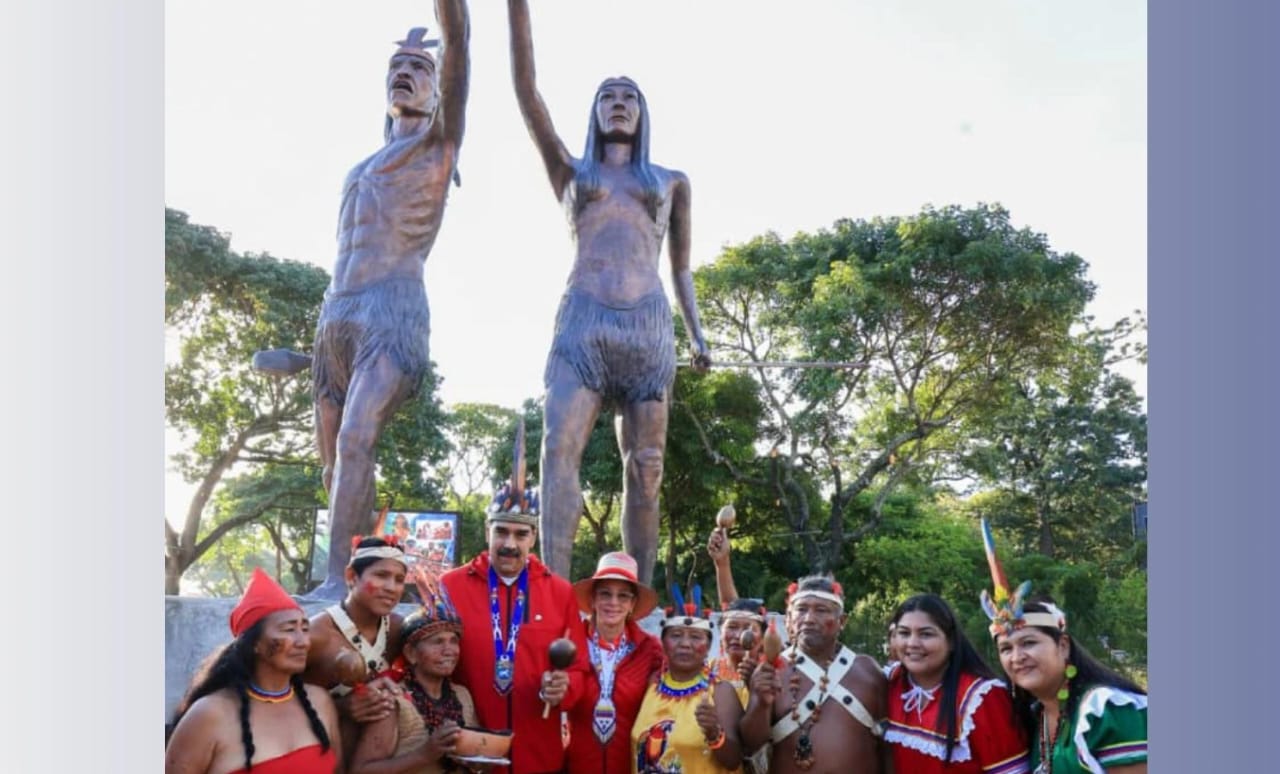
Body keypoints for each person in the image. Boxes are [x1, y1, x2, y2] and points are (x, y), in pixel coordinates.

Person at [505, 0, 712, 586]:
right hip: (583, 325)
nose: (618, 104)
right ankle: (548, 588)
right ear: (593, 112)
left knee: (646, 468)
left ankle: (637, 594)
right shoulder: (573, 174)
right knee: (557, 453)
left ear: (643, 113)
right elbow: (528, 96)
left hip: (648, 328)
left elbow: (682, 270)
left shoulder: (670, 181)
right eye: (607, 96)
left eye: (629, 97)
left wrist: (697, 335)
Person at [309, 0, 470, 600]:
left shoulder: (438, 146)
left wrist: (449, 27)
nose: (403, 74)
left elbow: (460, 50)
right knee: (335, 462)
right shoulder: (360, 166)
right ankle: (354, 571)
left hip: (393, 308)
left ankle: (336, 582)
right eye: (395, 69)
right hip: (337, 313)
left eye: (418, 69)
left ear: (436, 89)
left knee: (356, 440)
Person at [439, 474, 582, 773]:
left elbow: (578, 668)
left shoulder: (560, 591)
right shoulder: (450, 586)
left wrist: (562, 689)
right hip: (468, 752)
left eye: (520, 534)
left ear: (533, 537)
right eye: (501, 532)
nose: (509, 544)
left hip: (538, 754)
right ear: (486, 531)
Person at [979, 521, 1147, 773]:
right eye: (1005, 649)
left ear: (1063, 645)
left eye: (1029, 643)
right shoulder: (1035, 717)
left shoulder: (1105, 711)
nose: (1017, 657)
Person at [166, 568, 341, 774]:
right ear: (255, 643)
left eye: (304, 629)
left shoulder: (320, 702)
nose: (303, 642)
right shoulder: (209, 714)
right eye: (289, 629)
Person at [741, 575, 888, 773]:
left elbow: (890, 745)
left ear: (841, 621)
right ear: (789, 620)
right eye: (801, 610)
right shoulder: (769, 671)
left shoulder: (867, 671)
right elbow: (751, 744)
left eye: (821, 610)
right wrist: (760, 703)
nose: (809, 619)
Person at [349, 568, 478, 774]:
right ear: (411, 653)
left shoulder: (463, 697)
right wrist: (425, 754)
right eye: (437, 642)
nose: (449, 650)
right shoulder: (394, 700)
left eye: (454, 641)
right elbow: (361, 770)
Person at [885, 594, 1030, 774]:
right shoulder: (890, 681)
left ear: (952, 641)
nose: (912, 643)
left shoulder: (981, 697)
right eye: (904, 633)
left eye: (926, 634)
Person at [304, 535, 410, 764]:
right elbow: (268, 702)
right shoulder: (315, 635)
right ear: (351, 576)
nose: (392, 588)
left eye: (399, 579)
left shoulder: (398, 630)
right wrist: (339, 707)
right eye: (381, 575)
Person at [561, 551, 664, 774]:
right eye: (605, 594)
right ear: (593, 599)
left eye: (623, 596)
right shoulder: (570, 642)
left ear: (632, 604)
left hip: (630, 766)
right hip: (576, 766)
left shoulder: (650, 649)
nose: (613, 603)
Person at [632, 586, 745, 773]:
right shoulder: (651, 685)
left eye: (695, 637)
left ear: (708, 646)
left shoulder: (720, 691)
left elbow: (734, 761)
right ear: (663, 643)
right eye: (676, 635)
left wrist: (714, 734)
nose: (685, 644)